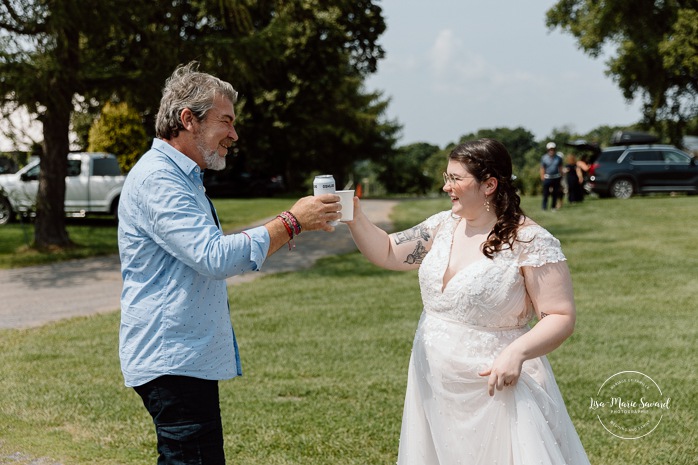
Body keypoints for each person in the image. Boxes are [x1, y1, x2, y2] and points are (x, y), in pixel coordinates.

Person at [118, 62, 341, 464]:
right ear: (188, 119)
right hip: (173, 361)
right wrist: (291, 222)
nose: (234, 135)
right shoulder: (158, 179)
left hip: (183, 360)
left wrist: (286, 228)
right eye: (226, 121)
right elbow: (213, 256)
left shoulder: (182, 177)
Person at [346, 138, 590, 465]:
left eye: (455, 179)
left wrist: (516, 353)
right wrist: (353, 216)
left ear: (489, 184)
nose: (446, 186)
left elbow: (560, 315)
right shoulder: (442, 226)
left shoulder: (531, 241)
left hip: (495, 386)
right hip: (433, 382)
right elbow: (388, 251)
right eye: (447, 177)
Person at [540, 141, 563, 211]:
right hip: (547, 177)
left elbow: (560, 167)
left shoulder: (558, 158)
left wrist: (561, 175)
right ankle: (544, 207)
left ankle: (553, 207)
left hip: (556, 177)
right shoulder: (544, 158)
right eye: (550, 149)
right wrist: (542, 176)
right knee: (546, 193)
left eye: (553, 149)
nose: (552, 151)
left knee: (555, 193)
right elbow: (542, 168)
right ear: (548, 150)